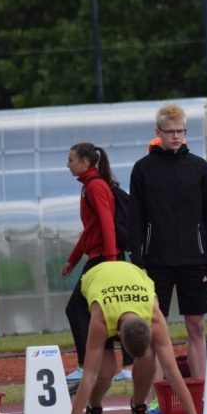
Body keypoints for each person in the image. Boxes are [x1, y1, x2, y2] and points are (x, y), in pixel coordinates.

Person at [52, 261, 207, 414]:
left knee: (147, 358)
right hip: (96, 288)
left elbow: (171, 371)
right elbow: (89, 375)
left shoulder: (154, 316)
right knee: (105, 371)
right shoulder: (101, 319)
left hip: (131, 280)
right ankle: (94, 408)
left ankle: (139, 405)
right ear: (118, 335)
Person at [129, 102, 207, 380]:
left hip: (194, 260)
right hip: (155, 262)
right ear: (158, 131)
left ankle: (202, 391)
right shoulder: (143, 169)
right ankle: (156, 395)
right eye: (170, 131)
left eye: (180, 131)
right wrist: (137, 262)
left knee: (196, 327)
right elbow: (135, 218)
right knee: (153, 329)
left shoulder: (199, 168)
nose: (175, 136)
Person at [60, 142, 132, 383]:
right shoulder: (88, 187)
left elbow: (106, 224)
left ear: (85, 162)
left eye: (71, 159)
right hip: (100, 257)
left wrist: (111, 261)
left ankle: (86, 366)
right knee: (108, 311)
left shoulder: (95, 186)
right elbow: (90, 230)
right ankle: (115, 368)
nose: (67, 164)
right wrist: (72, 260)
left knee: (77, 309)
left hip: (105, 259)